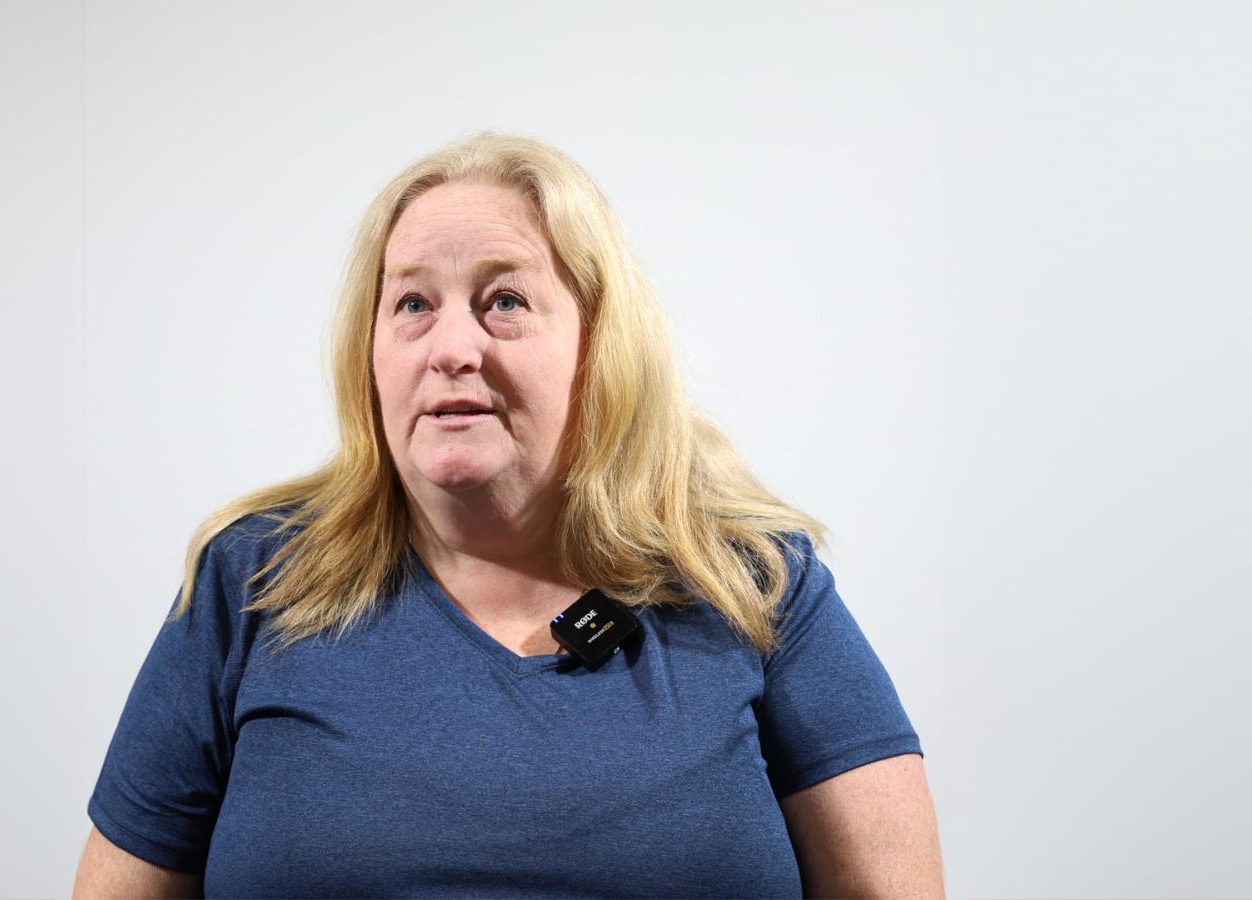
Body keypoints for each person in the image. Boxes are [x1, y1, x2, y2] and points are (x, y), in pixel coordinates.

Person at [73, 131, 944, 898]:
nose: (453, 348)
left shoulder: (753, 582)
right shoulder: (251, 582)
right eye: (413, 303)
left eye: (505, 302)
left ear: (600, 346)